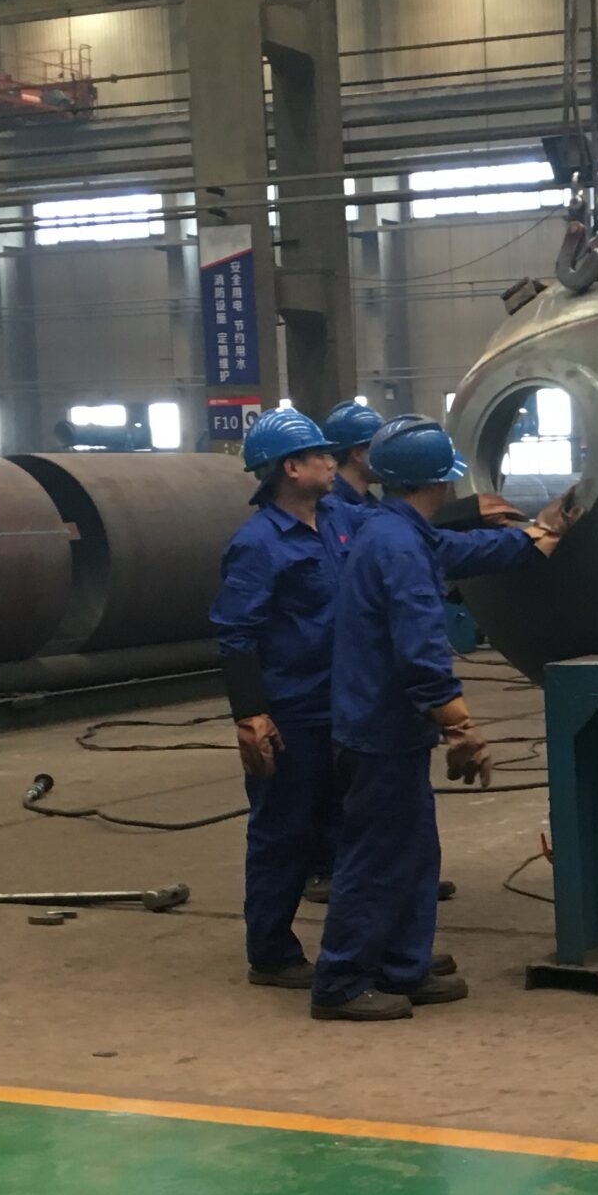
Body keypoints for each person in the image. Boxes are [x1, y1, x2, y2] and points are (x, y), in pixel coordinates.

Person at [313, 416, 567, 1022]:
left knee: (412, 853)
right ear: (440, 480)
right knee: (377, 858)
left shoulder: (393, 529)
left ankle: (402, 966)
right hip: (380, 730)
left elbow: (463, 550)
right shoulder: (399, 547)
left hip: (384, 725)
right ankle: (341, 982)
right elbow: (420, 650)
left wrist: (539, 534)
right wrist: (459, 727)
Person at [210, 408, 345, 990]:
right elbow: (235, 634)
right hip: (291, 710)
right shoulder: (258, 544)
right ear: (291, 468)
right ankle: (270, 953)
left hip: (341, 704)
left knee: (344, 829)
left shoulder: (337, 521)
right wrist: (251, 716)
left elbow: (407, 532)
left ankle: (358, 947)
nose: (332, 463)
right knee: (283, 833)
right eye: (321, 455)